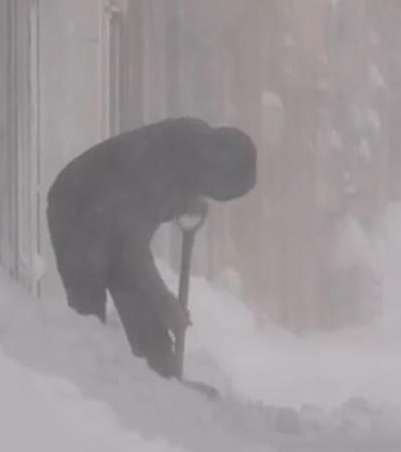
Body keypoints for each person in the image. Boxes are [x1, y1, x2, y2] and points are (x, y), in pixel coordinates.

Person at [46, 118, 257, 377]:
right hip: (77, 205)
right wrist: (167, 304)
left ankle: (162, 380)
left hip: (113, 214)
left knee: (141, 308)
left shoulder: (195, 146)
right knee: (89, 315)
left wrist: (185, 202)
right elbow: (133, 252)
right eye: (217, 191)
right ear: (214, 174)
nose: (212, 196)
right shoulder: (155, 170)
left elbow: (164, 193)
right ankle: (86, 389)